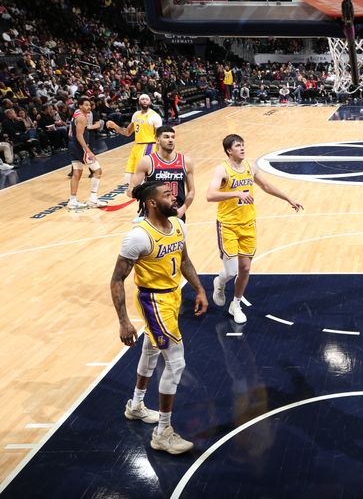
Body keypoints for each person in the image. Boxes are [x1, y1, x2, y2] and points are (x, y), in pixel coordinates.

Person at [110, 180, 208, 455]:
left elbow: (184, 259)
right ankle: (163, 432)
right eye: (167, 194)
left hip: (174, 296)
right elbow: (117, 279)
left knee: (151, 351)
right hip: (153, 301)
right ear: (152, 203)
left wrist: (199, 288)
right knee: (176, 363)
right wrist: (123, 321)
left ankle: (137, 405)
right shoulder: (138, 236)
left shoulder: (178, 224)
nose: (174, 196)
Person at [206, 134, 303, 323]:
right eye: (237, 146)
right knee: (232, 271)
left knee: (245, 268)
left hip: (248, 223)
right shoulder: (222, 170)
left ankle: (236, 304)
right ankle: (219, 281)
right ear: (228, 150)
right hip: (228, 224)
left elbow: (266, 185)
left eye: (243, 145)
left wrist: (288, 198)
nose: (242, 148)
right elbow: (210, 195)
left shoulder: (250, 167)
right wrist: (236, 194)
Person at [127, 125, 195, 220]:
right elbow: (130, 190)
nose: (170, 140)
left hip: (176, 212)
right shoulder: (147, 161)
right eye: (166, 137)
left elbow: (191, 191)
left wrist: (183, 209)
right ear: (157, 140)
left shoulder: (186, 162)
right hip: (153, 214)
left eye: (172, 137)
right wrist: (145, 194)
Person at [106, 94, 163, 185]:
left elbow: (160, 136)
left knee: (143, 179)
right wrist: (114, 126)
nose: (144, 101)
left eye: (147, 99)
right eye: (142, 99)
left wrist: (161, 153)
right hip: (136, 147)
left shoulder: (154, 116)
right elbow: (127, 132)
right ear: (139, 102)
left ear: (150, 102)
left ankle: (148, 196)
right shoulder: (136, 115)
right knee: (129, 178)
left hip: (149, 146)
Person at [67, 97, 108, 209]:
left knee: (77, 173)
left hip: (72, 145)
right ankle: (93, 199)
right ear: (80, 106)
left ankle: (72, 200)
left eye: (89, 105)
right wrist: (88, 150)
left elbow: (71, 132)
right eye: (86, 105)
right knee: (97, 170)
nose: (89, 107)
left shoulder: (76, 113)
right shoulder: (82, 118)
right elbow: (79, 135)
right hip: (80, 147)